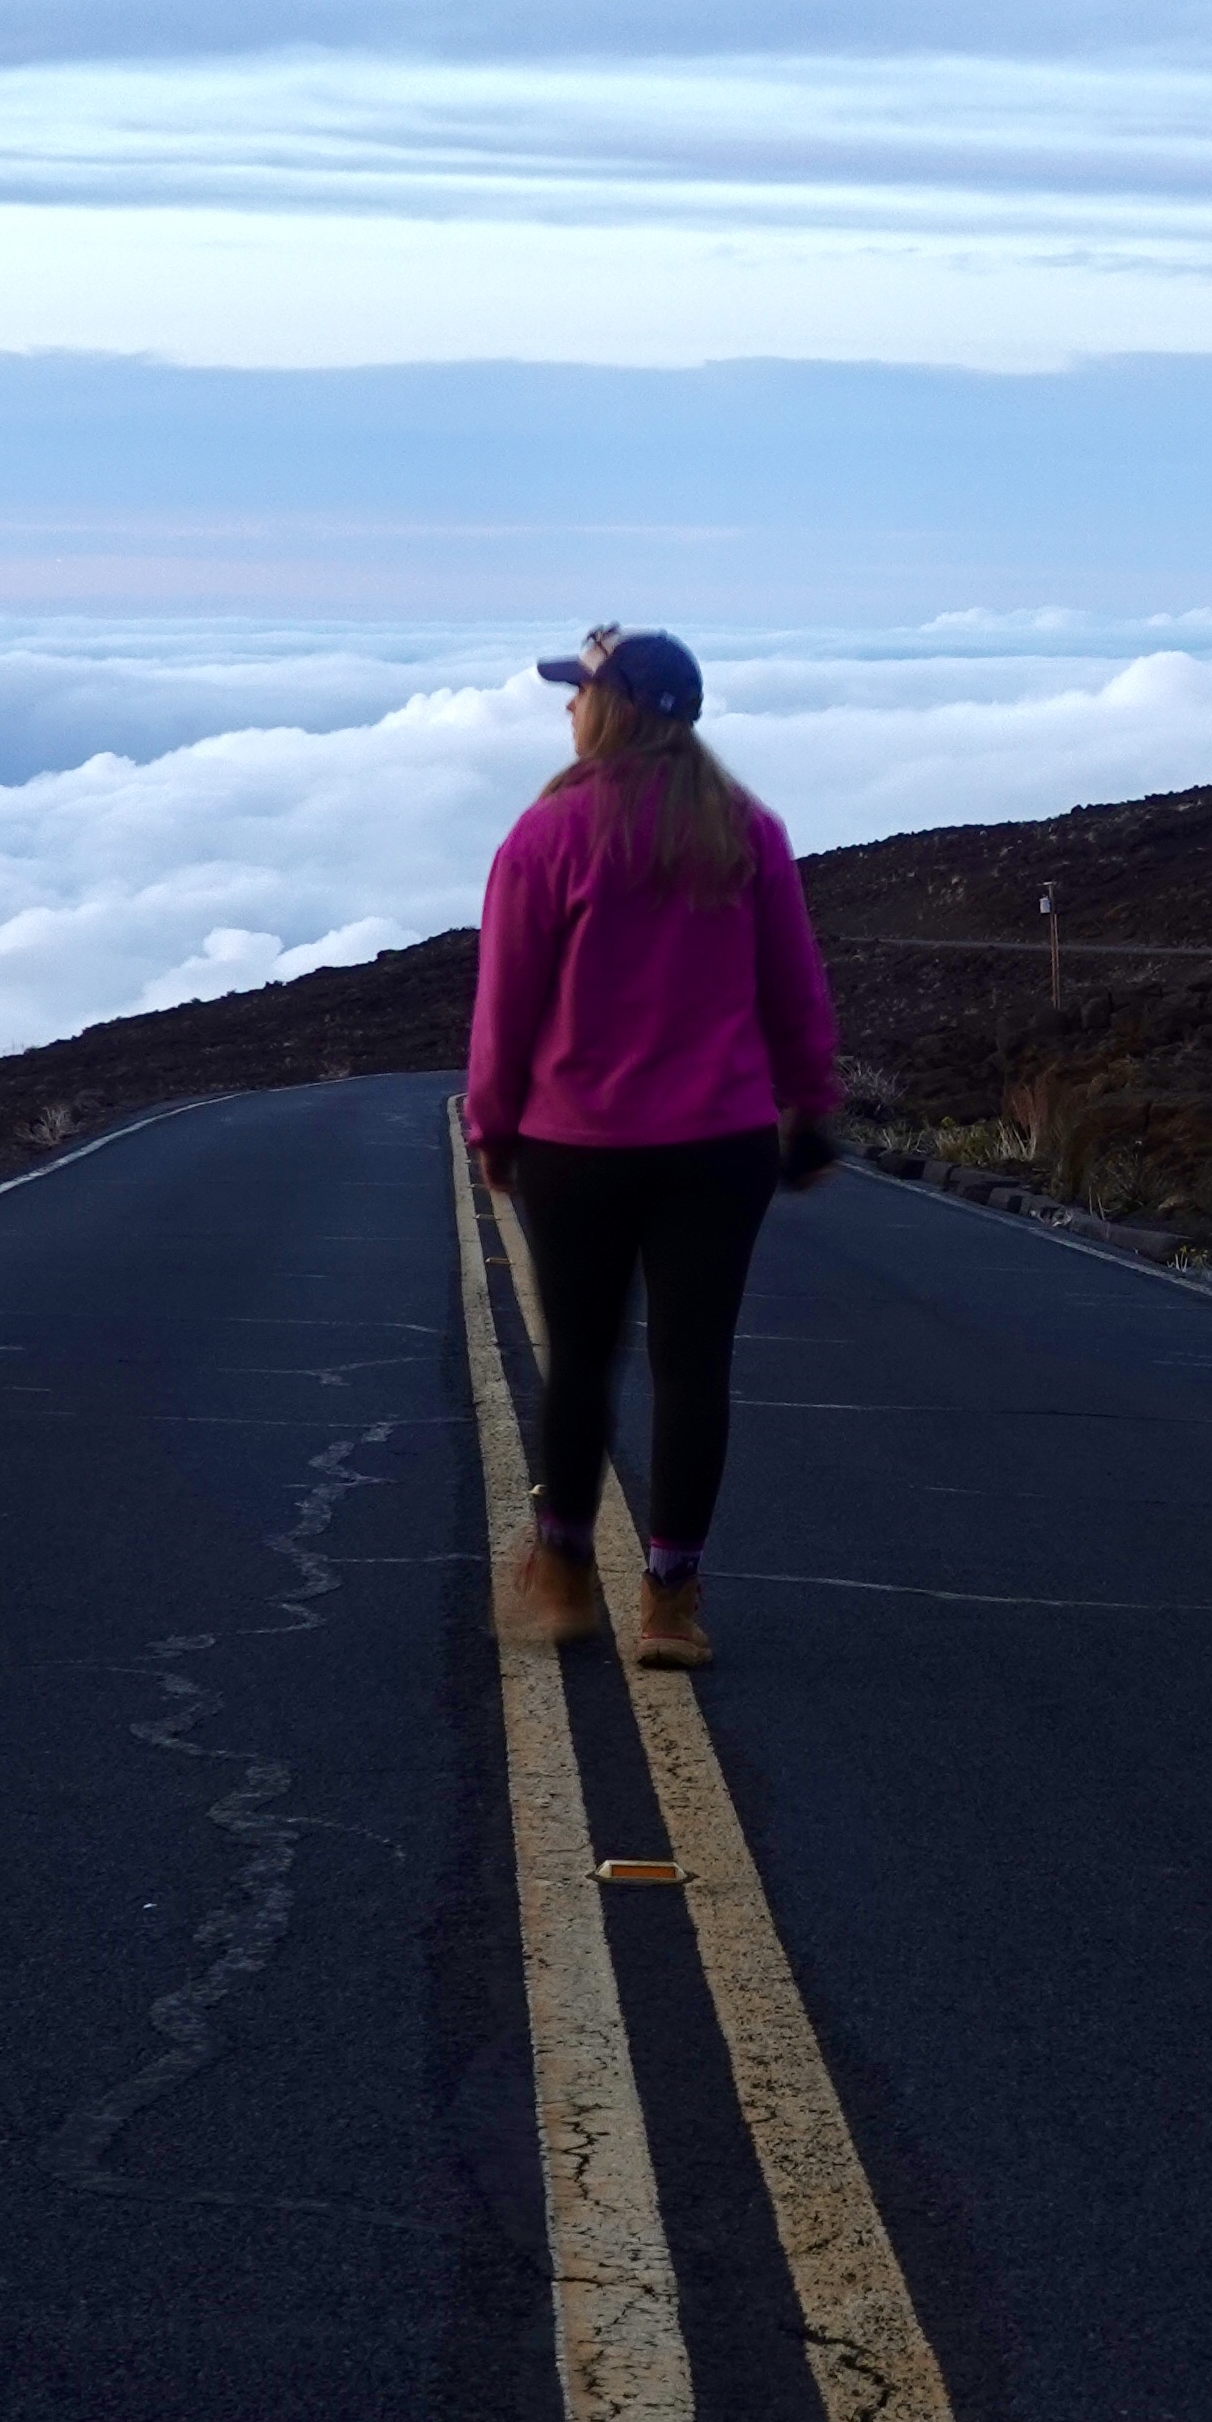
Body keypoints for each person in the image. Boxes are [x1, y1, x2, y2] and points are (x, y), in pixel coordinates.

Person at [464, 624, 845, 1670]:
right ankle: (671, 1602)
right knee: (693, 1367)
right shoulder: (747, 831)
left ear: (610, 707)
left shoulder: (547, 837)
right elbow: (793, 986)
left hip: (575, 1145)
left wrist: (490, 1126)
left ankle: (563, 1576)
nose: (566, 706)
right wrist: (810, 1107)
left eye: (576, 690)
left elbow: (506, 1009)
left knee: (580, 1360)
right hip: (719, 1146)